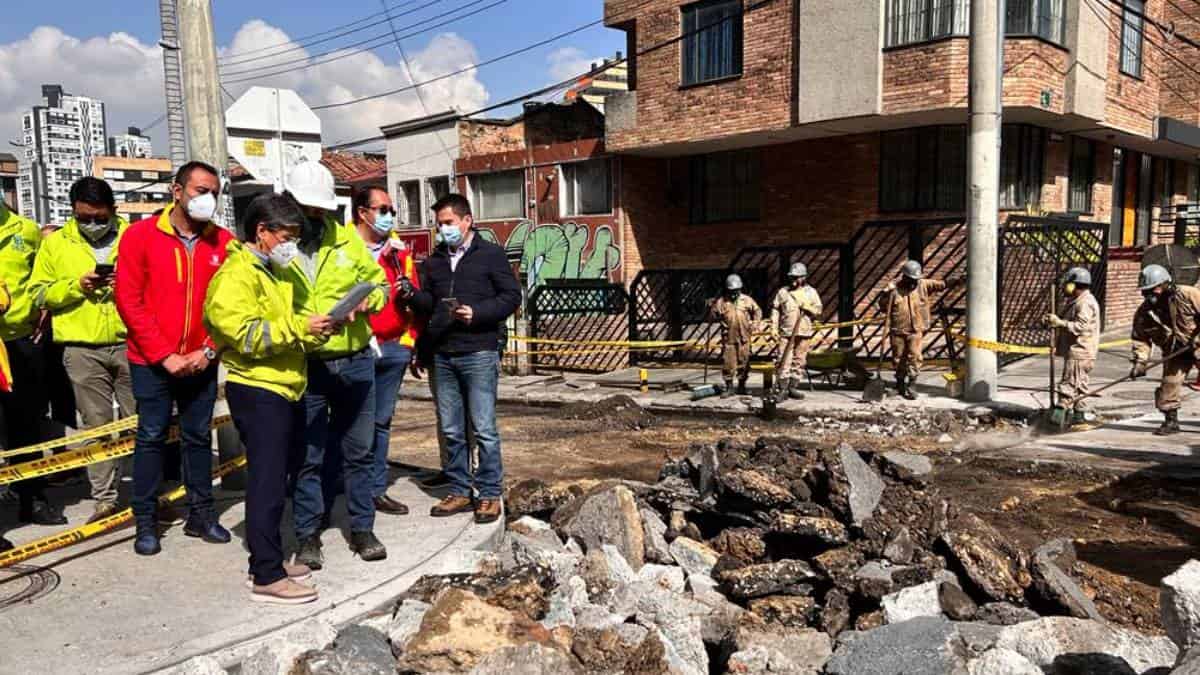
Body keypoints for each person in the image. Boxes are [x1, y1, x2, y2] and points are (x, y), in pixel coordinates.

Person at [204, 192, 335, 604]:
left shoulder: (272, 271)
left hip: (284, 384)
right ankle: (265, 575)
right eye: (287, 235)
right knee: (266, 483)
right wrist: (298, 329)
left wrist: (309, 327)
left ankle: (271, 558)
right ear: (262, 231)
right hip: (259, 389)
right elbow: (243, 333)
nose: (292, 243)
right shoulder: (235, 276)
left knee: (279, 479)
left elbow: (279, 322)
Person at [114, 160, 233, 556]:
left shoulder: (224, 243)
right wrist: (164, 355)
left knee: (199, 437)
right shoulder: (140, 236)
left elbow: (231, 307)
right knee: (151, 437)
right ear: (177, 191)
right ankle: (146, 522)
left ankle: (201, 514)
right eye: (201, 190)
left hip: (202, 359)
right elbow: (129, 301)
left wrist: (209, 349)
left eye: (214, 192)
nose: (208, 199)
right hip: (151, 362)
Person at [280, 161, 388, 569]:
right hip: (307, 364)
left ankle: (362, 528)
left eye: (321, 210)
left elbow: (378, 285)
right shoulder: (278, 251)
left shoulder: (346, 242)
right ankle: (308, 535)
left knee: (359, 451)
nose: (316, 217)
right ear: (289, 203)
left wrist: (366, 301)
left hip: (356, 360)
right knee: (308, 455)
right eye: (308, 210)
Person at [407, 193, 520, 524]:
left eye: (448, 223)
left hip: (479, 352)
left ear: (467, 221)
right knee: (452, 428)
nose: (443, 230)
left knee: (483, 428)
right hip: (443, 354)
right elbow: (429, 305)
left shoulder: (490, 255)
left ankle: (488, 493)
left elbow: (511, 296)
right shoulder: (435, 261)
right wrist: (413, 297)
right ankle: (458, 488)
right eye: (439, 224)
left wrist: (479, 312)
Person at [30, 177, 135, 523]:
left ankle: (148, 493)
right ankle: (105, 499)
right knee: (96, 426)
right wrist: (77, 287)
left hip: (131, 342)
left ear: (113, 211)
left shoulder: (133, 237)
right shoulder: (56, 244)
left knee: (142, 422)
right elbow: (39, 293)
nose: (92, 224)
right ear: (73, 213)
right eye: (84, 218)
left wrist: (128, 284)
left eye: (99, 217)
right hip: (81, 348)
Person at [351, 185, 420, 516]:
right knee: (351, 422)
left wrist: (410, 341)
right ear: (363, 213)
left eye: (391, 209)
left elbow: (415, 295)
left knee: (381, 422)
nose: (389, 215)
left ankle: (376, 488)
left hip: (393, 348)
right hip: (355, 347)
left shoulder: (399, 252)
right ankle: (350, 486)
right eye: (383, 209)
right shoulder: (343, 248)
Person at [0, 199, 65, 527]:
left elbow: (42, 278)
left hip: (21, 342)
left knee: (27, 424)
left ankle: (33, 499)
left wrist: (43, 308)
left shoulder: (26, 230)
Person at [1130, 264, 1200, 436]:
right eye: (1145, 291)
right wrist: (1140, 361)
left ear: (1164, 284)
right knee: (1169, 384)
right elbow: (1141, 338)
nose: (1148, 295)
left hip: (1197, 345)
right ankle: (1171, 421)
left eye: (1152, 290)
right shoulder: (1145, 312)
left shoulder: (1188, 294)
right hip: (1175, 352)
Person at [879, 260, 960, 400]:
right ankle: (899, 385)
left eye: (915, 279)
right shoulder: (894, 290)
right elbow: (882, 308)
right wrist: (885, 293)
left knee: (915, 357)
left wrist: (958, 280)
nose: (914, 282)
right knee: (898, 359)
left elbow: (942, 284)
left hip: (915, 330)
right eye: (911, 279)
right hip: (898, 330)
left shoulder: (923, 285)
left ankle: (912, 385)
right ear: (904, 276)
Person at [1044, 267, 1100, 426]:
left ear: (1075, 285)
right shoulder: (1078, 301)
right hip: (1082, 351)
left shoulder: (1085, 303)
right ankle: (1079, 417)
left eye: (1068, 284)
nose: (1065, 287)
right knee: (1080, 385)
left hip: (1079, 351)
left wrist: (1060, 323)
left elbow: (1082, 326)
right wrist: (1054, 321)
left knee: (1069, 384)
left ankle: (1055, 421)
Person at [770, 262, 823, 400]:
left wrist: (808, 308)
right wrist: (773, 327)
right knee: (783, 360)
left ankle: (792, 387)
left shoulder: (811, 293)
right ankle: (782, 389)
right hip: (786, 332)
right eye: (792, 277)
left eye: (797, 277)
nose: (793, 280)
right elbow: (775, 309)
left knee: (799, 361)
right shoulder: (783, 292)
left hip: (804, 332)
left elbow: (818, 310)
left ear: (803, 277)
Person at [710, 274, 762, 398]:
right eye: (731, 291)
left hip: (744, 337)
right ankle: (729, 388)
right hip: (729, 339)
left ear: (740, 289)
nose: (734, 294)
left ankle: (742, 386)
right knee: (728, 364)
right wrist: (711, 307)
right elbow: (713, 316)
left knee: (744, 363)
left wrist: (755, 323)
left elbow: (757, 311)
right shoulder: (722, 302)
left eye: (736, 291)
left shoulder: (747, 300)